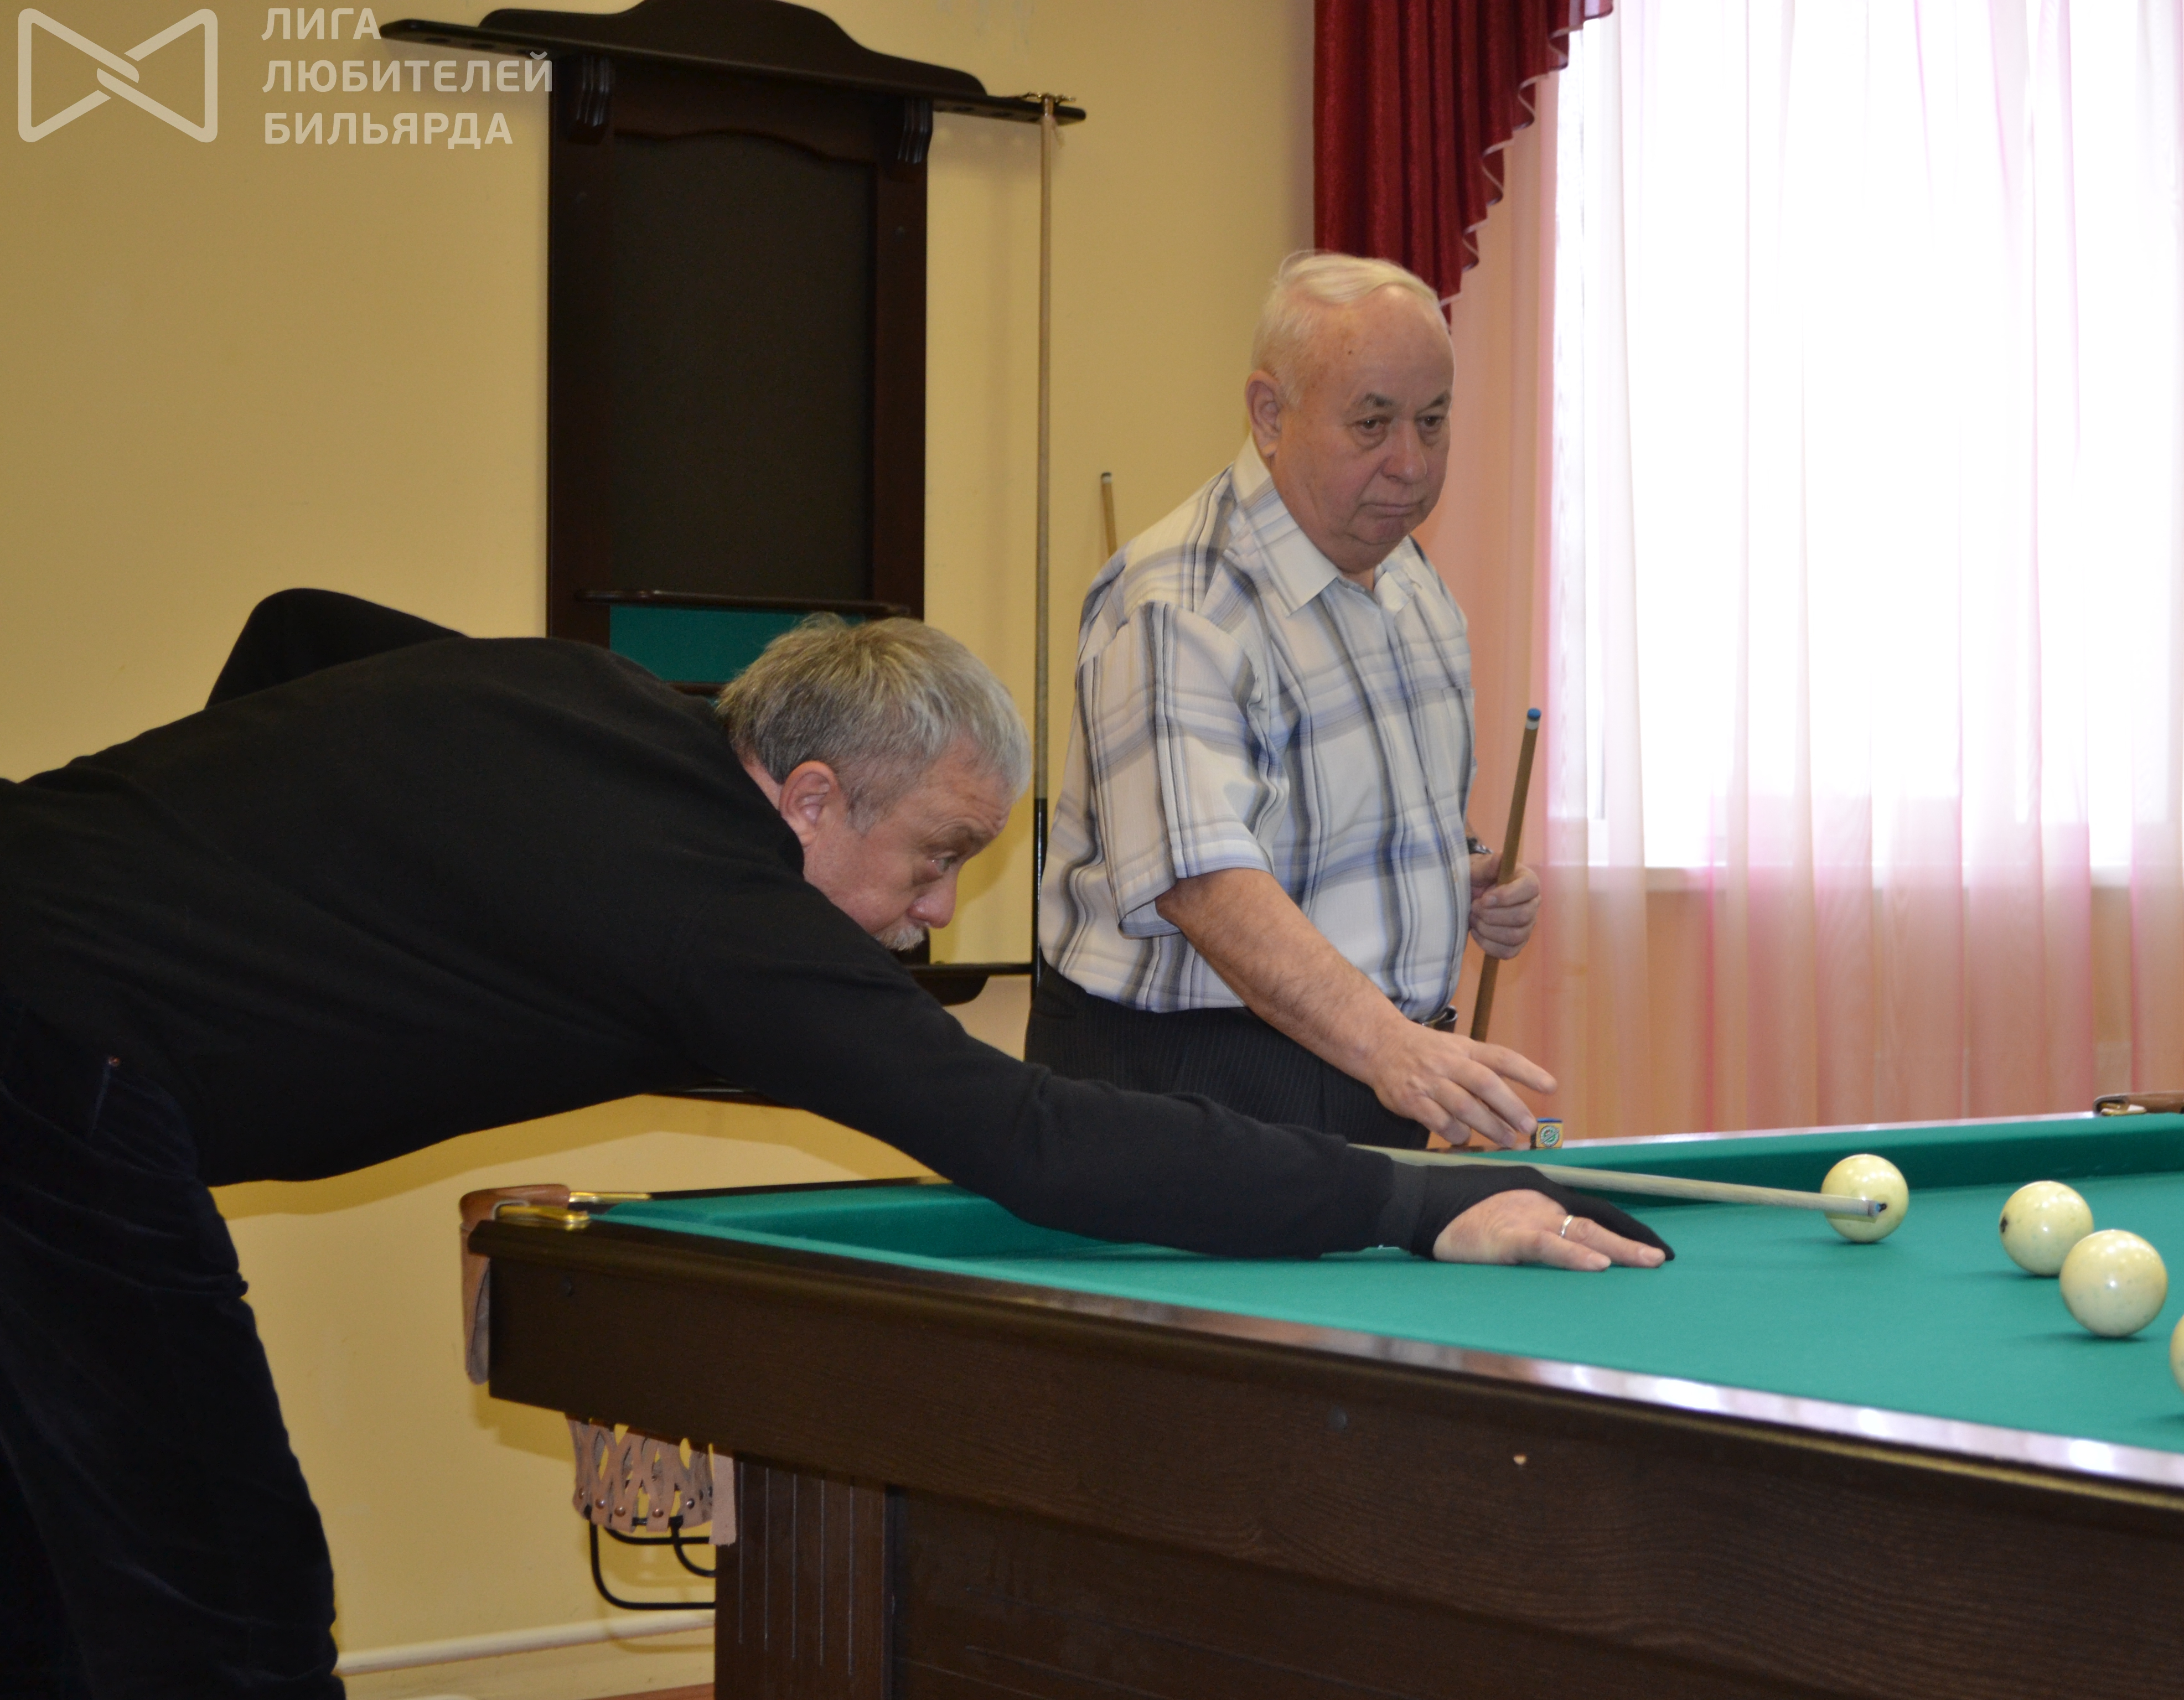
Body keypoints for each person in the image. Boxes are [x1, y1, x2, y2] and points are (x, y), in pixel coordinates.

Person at [0, 589, 1667, 1698]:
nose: (936, 911)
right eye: (935, 857)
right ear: (806, 793)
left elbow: (299, 630)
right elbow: (1029, 1137)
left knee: (51, 1569)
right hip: (54, 1055)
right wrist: (1411, 1200)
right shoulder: (721, 922)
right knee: (220, 1602)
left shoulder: (586, 695)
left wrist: (243, 880)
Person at [1031, 251, 1546, 1151]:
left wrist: (1448, 877)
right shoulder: (1182, 597)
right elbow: (1206, 885)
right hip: (1192, 1085)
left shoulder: (1414, 582)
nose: (1411, 463)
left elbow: (1333, 820)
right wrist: (1395, 1047)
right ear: (1270, 415)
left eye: (1432, 421)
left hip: (1366, 1063)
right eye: (1373, 423)